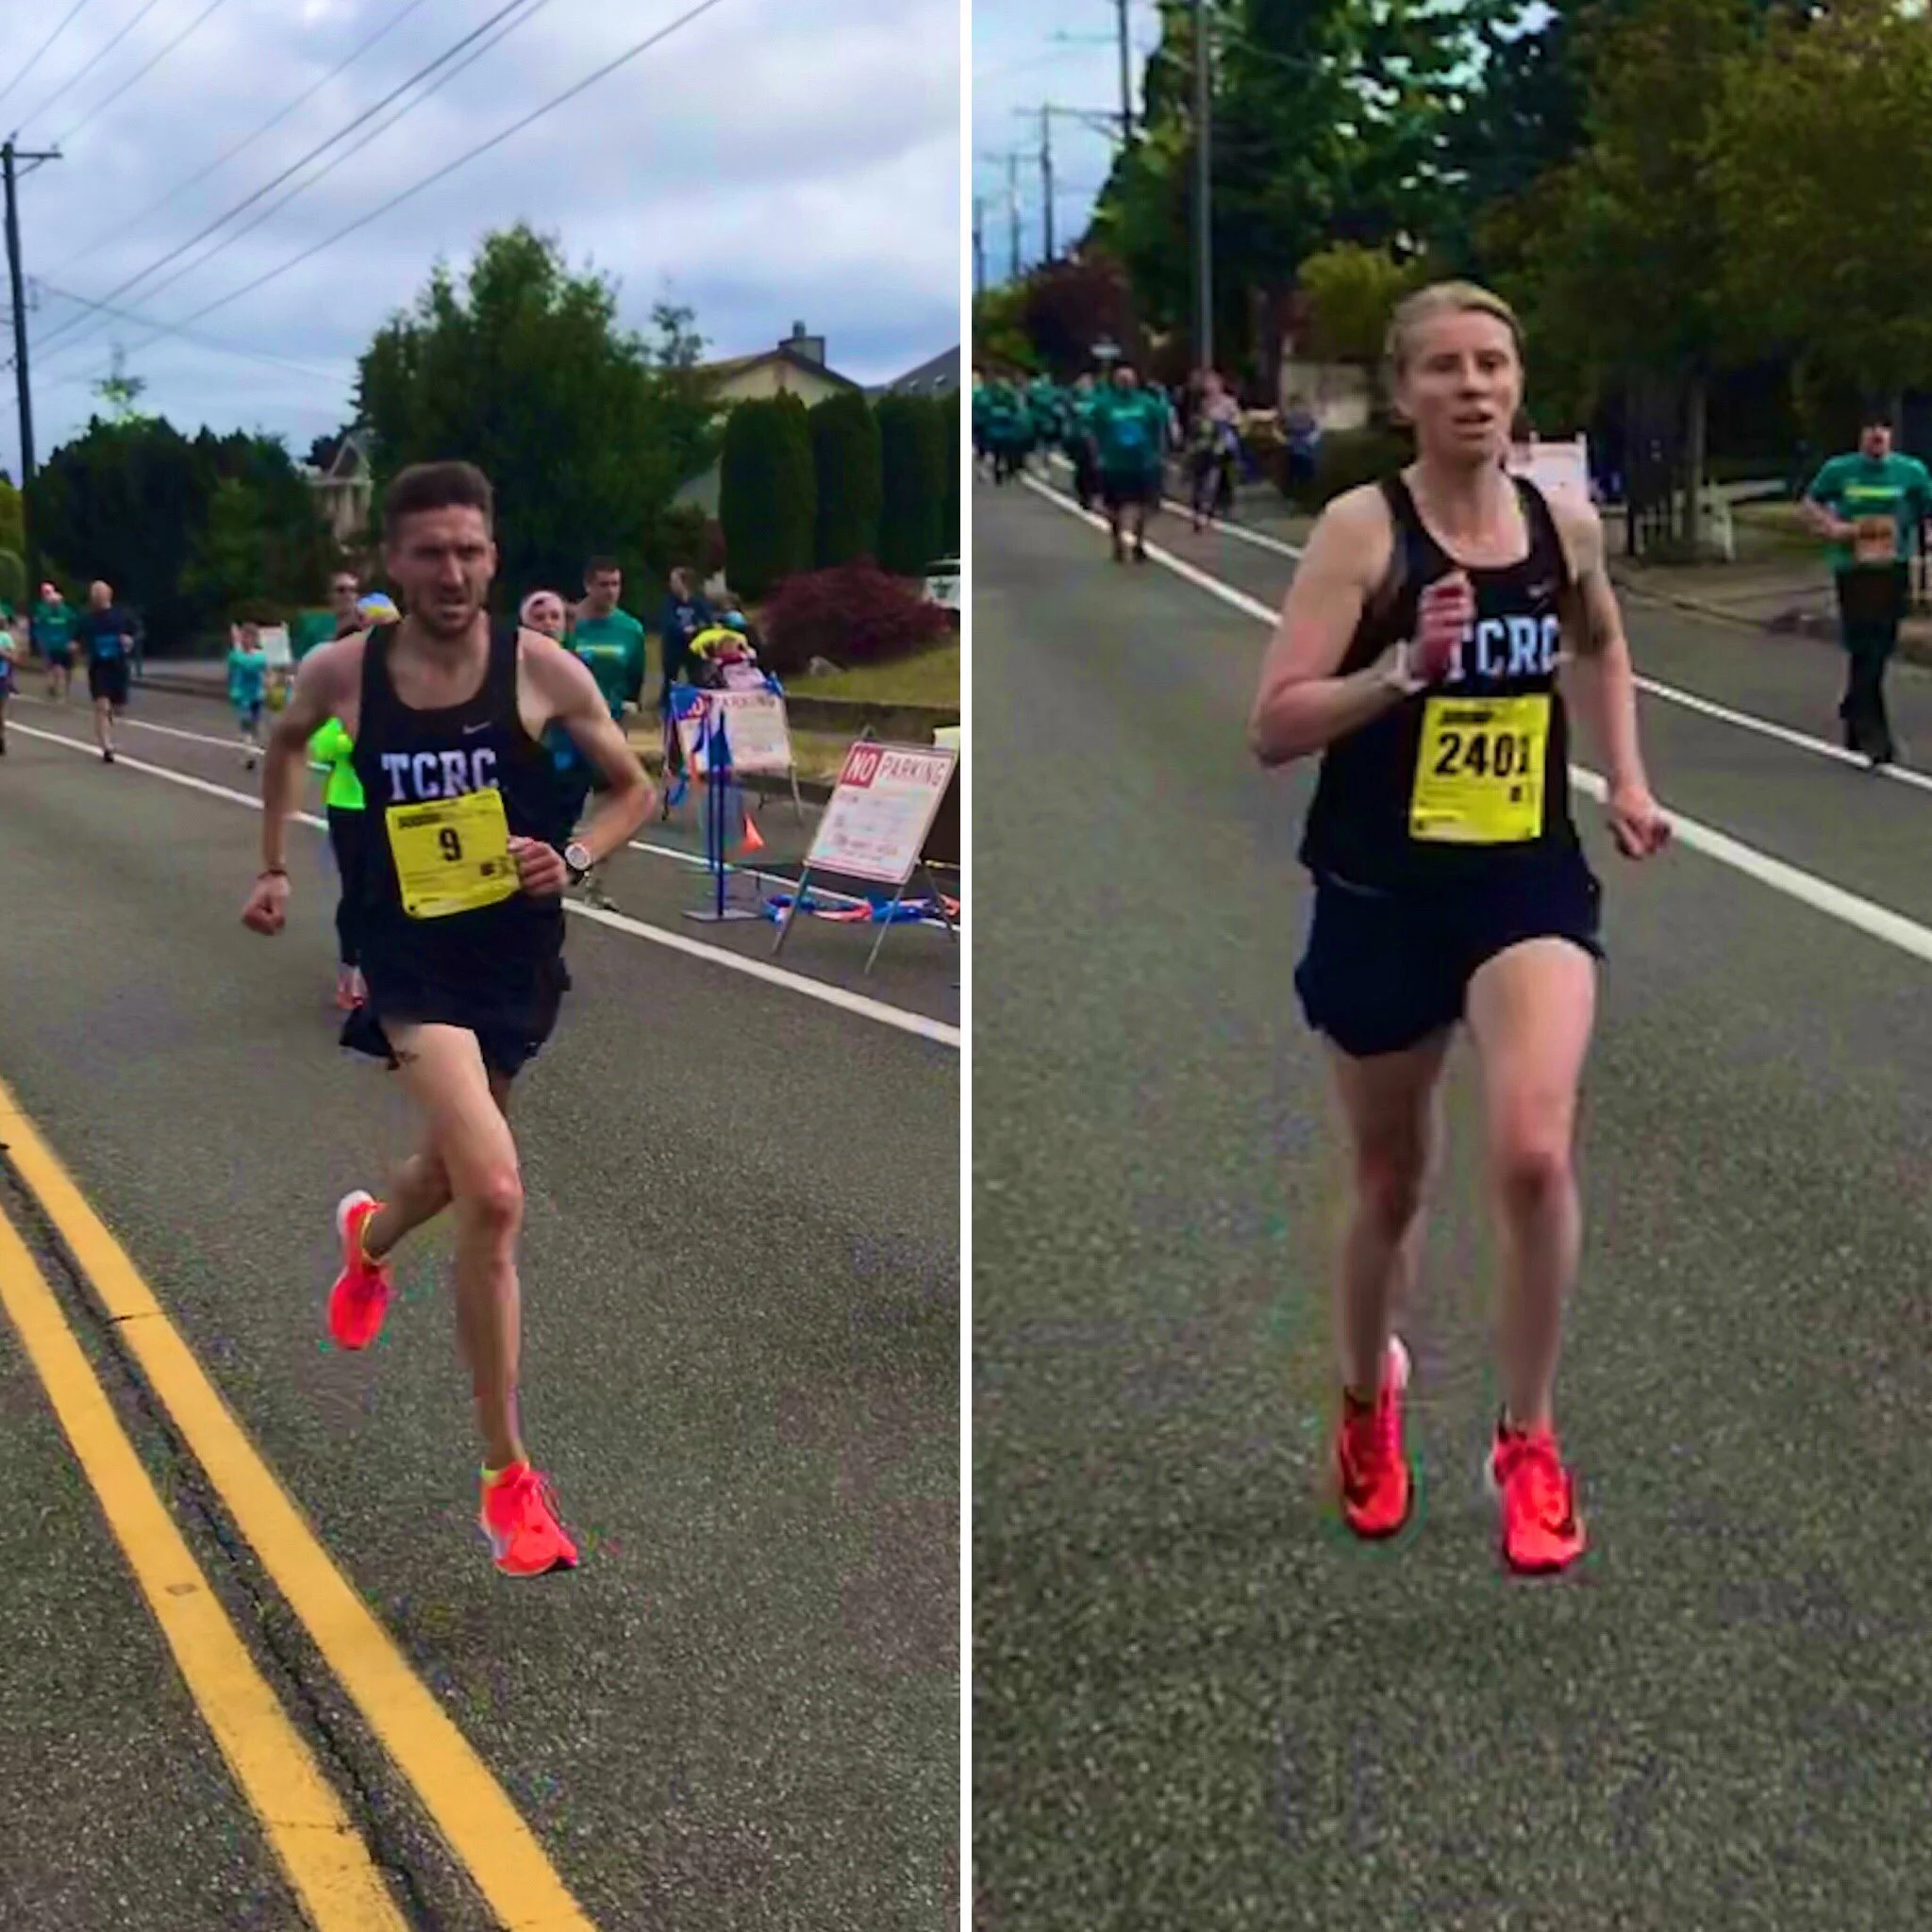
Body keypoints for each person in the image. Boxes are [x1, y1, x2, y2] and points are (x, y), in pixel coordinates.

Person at [1246, 280, 1671, 1576]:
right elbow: (1273, 726)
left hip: (1523, 881)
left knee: (1536, 1150)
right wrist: (1398, 674)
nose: (1473, 387)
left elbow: (1600, 645)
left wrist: (1629, 779)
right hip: (1382, 890)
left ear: (1518, 381)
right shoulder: (1360, 534)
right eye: (1444, 369)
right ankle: (1368, 1404)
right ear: (1404, 393)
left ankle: (1526, 1436)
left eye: (1492, 364)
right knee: (1393, 1179)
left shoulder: (1565, 526)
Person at [241, 460, 654, 1578]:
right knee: (497, 1187)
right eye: (430, 551)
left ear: (495, 554)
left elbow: (633, 789)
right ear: (394, 563)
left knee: (443, 1171)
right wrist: (276, 867)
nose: (454, 570)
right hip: (406, 954)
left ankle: (368, 1238)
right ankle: (506, 1479)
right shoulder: (345, 672)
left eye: (471, 549)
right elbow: (281, 747)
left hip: (511, 954)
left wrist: (567, 857)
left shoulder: (541, 667)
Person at [1800, 411, 1932, 766]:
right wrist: (1833, 527)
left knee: (1881, 644)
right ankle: (1877, 738)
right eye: (1871, 429)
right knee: (1863, 644)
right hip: (1853, 569)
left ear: (1891, 436)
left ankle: (1854, 714)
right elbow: (1810, 504)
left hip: (1892, 567)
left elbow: (1926, 510)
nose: (1878, 436)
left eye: (1884, 430)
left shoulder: (1911, 472)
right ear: (1861, 436)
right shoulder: (1840, 470)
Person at [1091, 362, 1169, 563]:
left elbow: (1159, 429)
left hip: (1143, 463)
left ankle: (1138, 540)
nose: (1125, 383)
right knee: (1114, 506)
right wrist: (1097, 455)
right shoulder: (1104, 404)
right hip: (1114, 464)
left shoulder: (1148, 404)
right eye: (1121, 379)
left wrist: (1160, 454)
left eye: (1129, 379)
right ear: (1115, 382)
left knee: (1145, 505)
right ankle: (1117, 540)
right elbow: (1094, 432)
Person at [75, 580, 135, 764]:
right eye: (94, 594)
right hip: (99, 666)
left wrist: (129, 640)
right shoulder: (87, 619)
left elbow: (135, 632)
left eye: (100, 593)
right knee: (101, 706)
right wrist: (74, 646)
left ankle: (110, 715)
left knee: (118, 708)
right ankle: (106, 747)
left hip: (118, 666)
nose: (97, 597)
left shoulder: (121, 616)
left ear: (108, 594)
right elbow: (76, 638)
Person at [656, 566, 712, 722]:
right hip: (673, 645)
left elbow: (708, 620)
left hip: (694, 645)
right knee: (670, 677)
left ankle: (696, 707)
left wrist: (697, 628)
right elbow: (667, 620)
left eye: (675, 581)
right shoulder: (669, 602)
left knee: (696, 676)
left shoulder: (697, 601)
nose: (671, 584)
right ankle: (666, 709)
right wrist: (682, 630)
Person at [1189, 370, 1242, 533]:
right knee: (1199, 481)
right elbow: (1194, 425)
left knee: (1214, 480)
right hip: (1203, 446)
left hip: (1221, 447)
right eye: (1207, 384)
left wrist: (1225, 427)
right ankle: (1201, 510)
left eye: (1213, 383)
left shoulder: (1228, 403)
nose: (1210, 387)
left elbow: (1237, 421)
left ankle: (1209, 510)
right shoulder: (1201, 403)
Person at [228, 620, 269, 770]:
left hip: (257, 695)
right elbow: (241, 663)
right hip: (242, 695)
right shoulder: (236, 656)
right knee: (246, 724)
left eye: (252, 637)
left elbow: (263, 669)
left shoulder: (259, 656)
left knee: (254, 725)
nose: (249, 640)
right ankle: (249, 753)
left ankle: (251, 749)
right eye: (245, 637)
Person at [34, 582, 75, 702]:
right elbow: (40, 627)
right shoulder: (44, 611)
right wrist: (41, 641)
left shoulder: (67, 612)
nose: (54, 604)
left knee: (67, 669)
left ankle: (65, 690)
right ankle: (56, 688)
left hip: (65, 644)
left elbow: (73, 626)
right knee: (56, 667)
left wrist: (73, 640)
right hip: (52, 645)